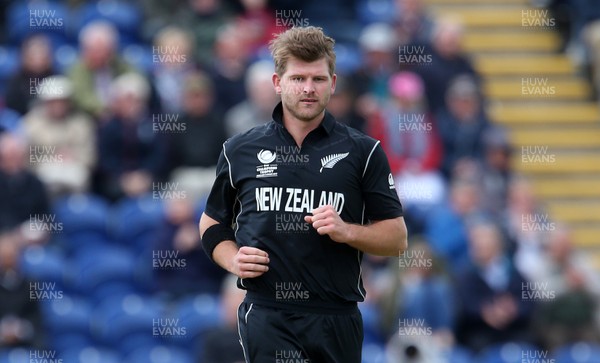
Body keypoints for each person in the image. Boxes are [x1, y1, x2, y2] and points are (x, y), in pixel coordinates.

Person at [198, 26, 407, 363]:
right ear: (278, 83)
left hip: (337, 316)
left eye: (318, 79)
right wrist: (232, 259)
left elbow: (397, 239)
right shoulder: (239, 150)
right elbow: (211, 224)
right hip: (268, 313)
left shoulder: (364, 152)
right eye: (298, 79)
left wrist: (347, 231)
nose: (308, 89)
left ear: (333, 84)